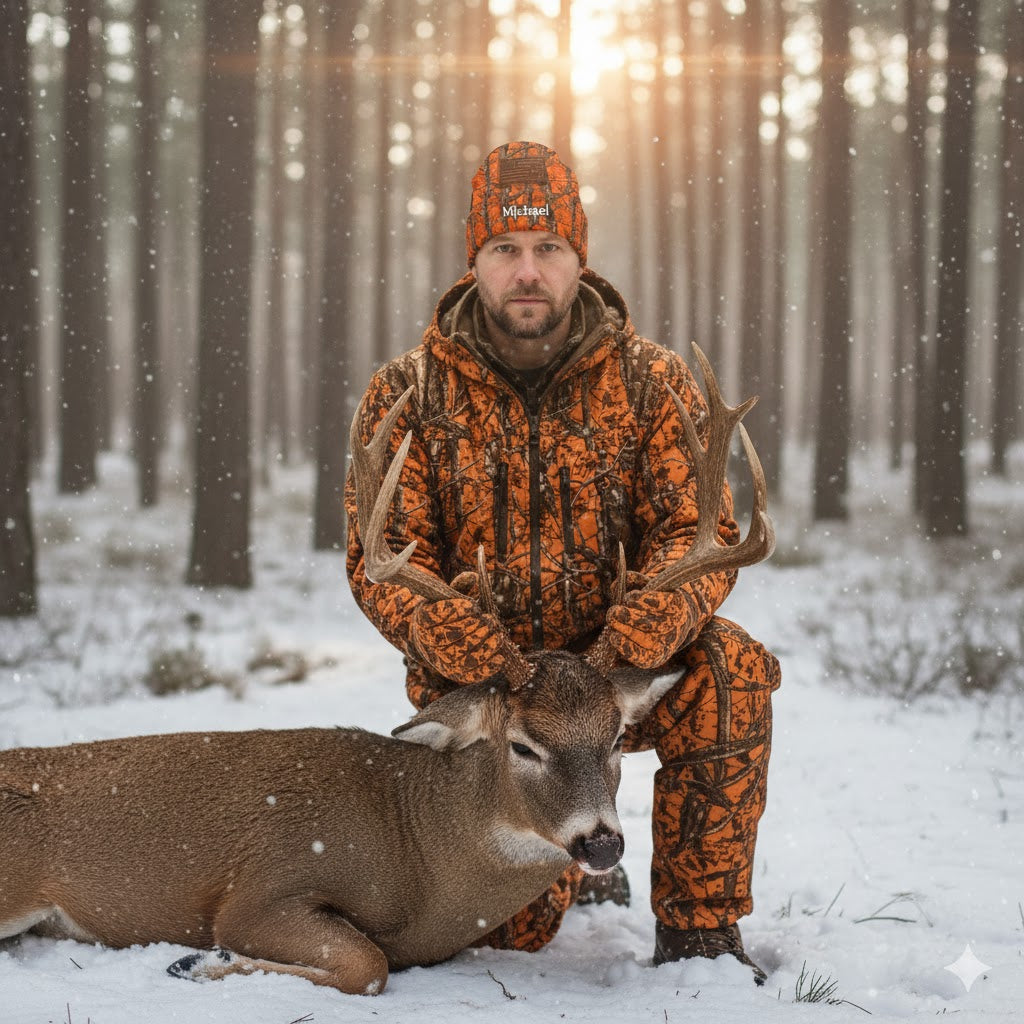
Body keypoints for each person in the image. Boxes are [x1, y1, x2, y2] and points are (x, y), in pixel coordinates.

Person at [346, 140, 780, 982]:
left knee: (729, 669)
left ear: (580, 257)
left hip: (616, 673)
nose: (528, 271)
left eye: (549, 249)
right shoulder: (409, 393)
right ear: (474, 260)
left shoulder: (653, 383)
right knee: (512, 939)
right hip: (495, 694)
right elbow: (381, 560)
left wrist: (646, 627)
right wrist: (456, 638)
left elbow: (702, 532)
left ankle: (700, 933)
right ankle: (560, 881)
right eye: (505, 250)